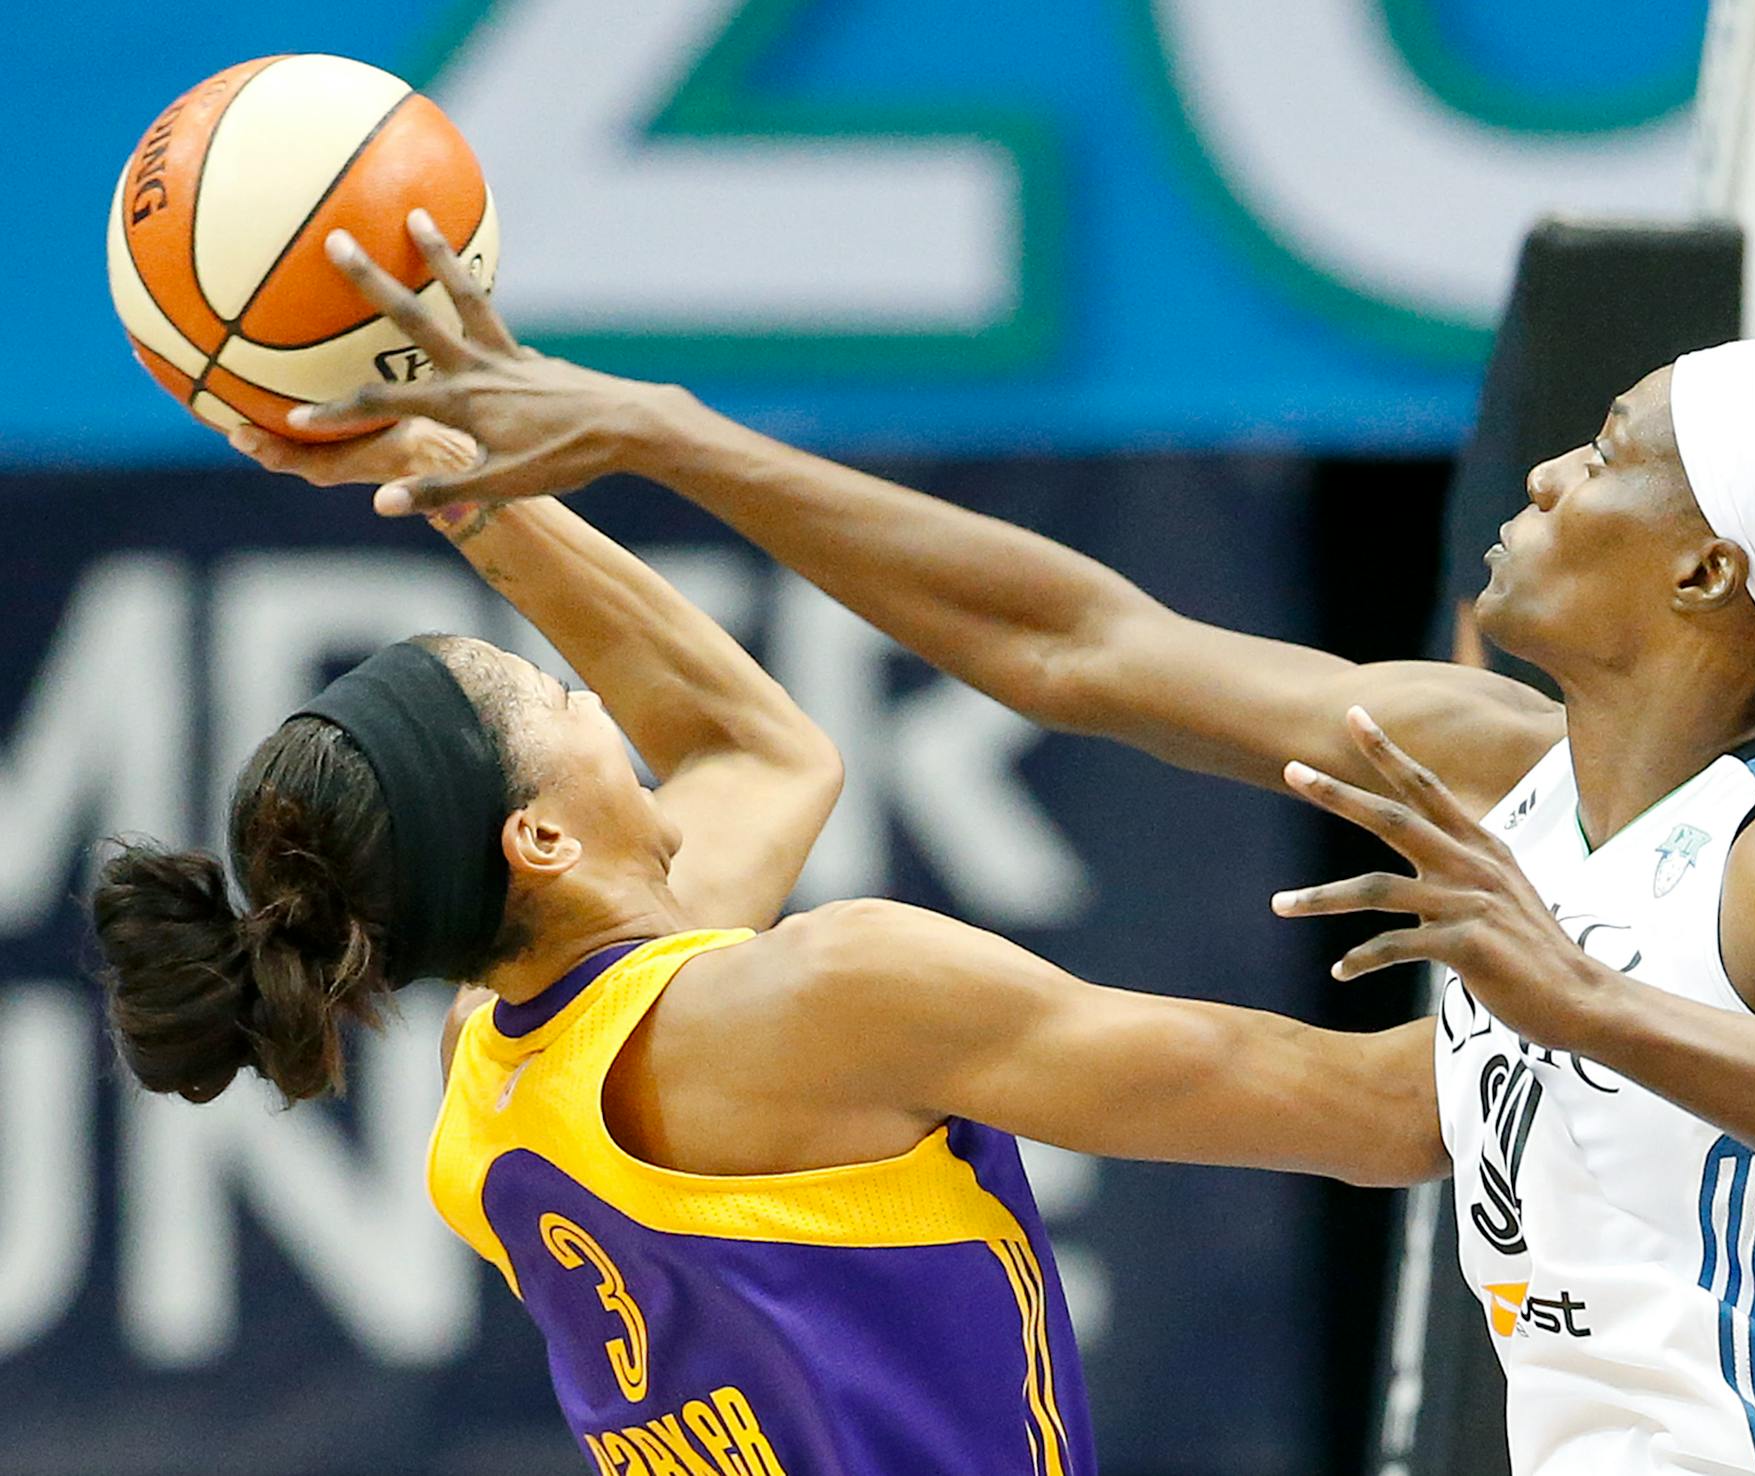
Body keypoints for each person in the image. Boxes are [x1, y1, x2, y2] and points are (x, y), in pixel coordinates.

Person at [245, 212, 1755, 1476]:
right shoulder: (1493, 766)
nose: (1552, 472)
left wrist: (1588, 1006)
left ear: (1702, 569)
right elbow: (1075, 645)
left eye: (1605, 452)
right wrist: (659, 434)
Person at [93, 482, 1447, 1475]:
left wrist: (463, 478)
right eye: (547, 694)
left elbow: (756, 754)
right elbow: (1392, 1117)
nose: (590, 694)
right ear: (543, 837)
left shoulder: (493, 1079)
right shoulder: (836, 994)